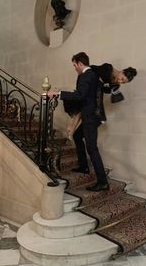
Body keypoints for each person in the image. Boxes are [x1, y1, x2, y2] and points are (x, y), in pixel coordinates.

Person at [48, 52, 109, 192]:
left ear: (80, 63)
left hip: (90, 118)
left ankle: (103, 182)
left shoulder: (86, 76)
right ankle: (84, 166)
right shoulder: (93, 75)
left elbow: (80, 95)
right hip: (92, 116)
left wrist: (59, 94)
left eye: (75, 65)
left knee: (92, 149)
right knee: (76, 136)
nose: (75, 68)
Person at [65, 63, 137, 140]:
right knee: (82, 105)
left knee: (84, 107)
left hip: (94, 91)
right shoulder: (108, 68)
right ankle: (71, 127)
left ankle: (71, 127)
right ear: (122, 72)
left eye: (123, 82)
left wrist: (112, 89)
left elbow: (104, 90)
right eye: (122, 79)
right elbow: (92, 69)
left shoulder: (116, 84)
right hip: (87, 82)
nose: (120, 81)